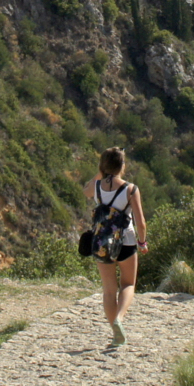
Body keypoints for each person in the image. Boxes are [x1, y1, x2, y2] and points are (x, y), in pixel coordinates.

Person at [83, 146, 147, 346]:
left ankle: (115, 332)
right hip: (126, 240)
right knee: (128, 284)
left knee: (109, 291)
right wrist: (142, 242)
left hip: (101, 241)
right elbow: (140, 221)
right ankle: (120, 318)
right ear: (122, 166)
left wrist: (100, 173)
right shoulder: (130, 189)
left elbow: (85, 189)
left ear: (103, 166)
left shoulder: (96, 186)